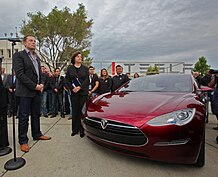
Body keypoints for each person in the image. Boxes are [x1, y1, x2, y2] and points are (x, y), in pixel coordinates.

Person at [13, 35, 51, 153]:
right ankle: (23, 141)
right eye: (30, 40)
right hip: (25, 92)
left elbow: (39, 74)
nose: (33, 43)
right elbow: (20, 74)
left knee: (36, 114)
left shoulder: (37, 57)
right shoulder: (19, 56)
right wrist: (34, 86)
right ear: (24, 43)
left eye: (35, 41)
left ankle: (37, 134)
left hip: (36, 92)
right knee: (24, 116)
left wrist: (41, 84)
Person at [65, 51, 89, 138]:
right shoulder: (70, 69)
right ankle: (74, 130)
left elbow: (87, 81)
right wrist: (72, 88)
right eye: (78, 56)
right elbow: (67, 80)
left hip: (83, 92)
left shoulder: (85, 69)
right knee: (75, 111)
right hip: (74, 93)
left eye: (80, 56)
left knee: (81, 111)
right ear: (74, 58)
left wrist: (80, 87)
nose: (80, 58)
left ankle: (82, 130)